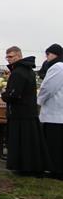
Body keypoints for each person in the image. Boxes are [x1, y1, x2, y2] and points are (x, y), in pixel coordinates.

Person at [2, 46, 50, 175]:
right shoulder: (27, 70)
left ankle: (23, 167)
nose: (8, 59)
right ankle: (29, 167)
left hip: (20, 113)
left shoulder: (18, 72)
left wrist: (4, 95)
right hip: (27, 111)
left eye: (11, 57)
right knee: (29, 143)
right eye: (7, 57)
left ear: (19, 56)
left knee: (22, 143)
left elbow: (13, 94)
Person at [37, 44, 63, 178]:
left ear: (55, 54)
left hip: (55, 113)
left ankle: (56, 170)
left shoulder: (57, 67)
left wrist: (39, 101)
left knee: (54, 145)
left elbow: (48, 88)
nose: (46, 57)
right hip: (58, 112)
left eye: (48, 54)